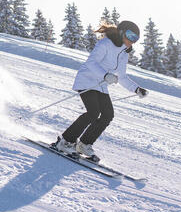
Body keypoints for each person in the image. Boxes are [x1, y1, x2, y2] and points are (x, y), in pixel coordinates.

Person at [54, 19, 148, 161]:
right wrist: (105, 75)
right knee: (93, 113)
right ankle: (66, 141)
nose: (132, 41)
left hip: (101, 85)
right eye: (130, 36)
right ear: (122, 32)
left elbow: (121, 76)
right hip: (87, 80)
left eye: (135, 38)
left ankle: (84, 144)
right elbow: (91, 62)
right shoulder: (106, 43)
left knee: (107, 115)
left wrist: (136, 89)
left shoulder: (124, 53)